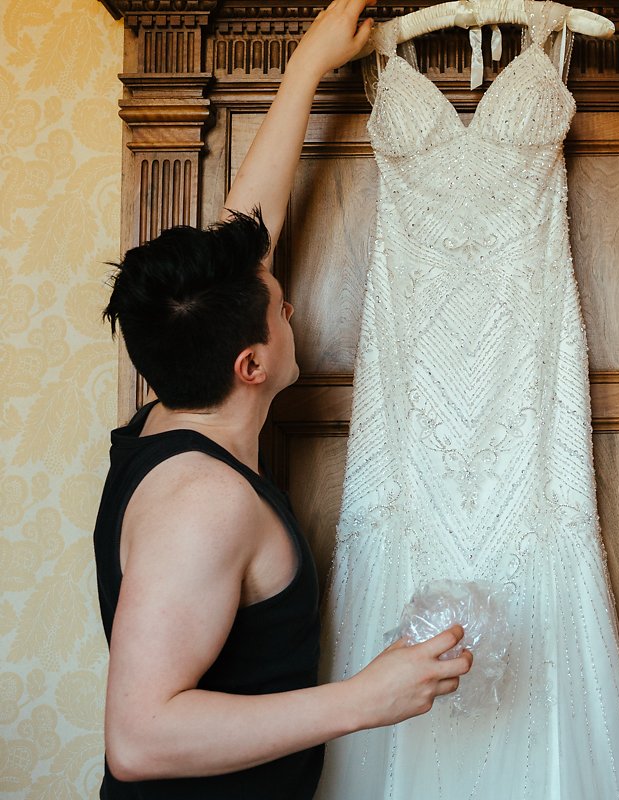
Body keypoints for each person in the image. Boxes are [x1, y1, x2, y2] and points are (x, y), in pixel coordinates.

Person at [93, 1, 471, 797]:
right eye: (278, 303)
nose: (291, 305)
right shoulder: (203, 502)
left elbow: (245, 231)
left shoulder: (174, 411)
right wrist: (363, 700)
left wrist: (307, 65)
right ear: (252, 363)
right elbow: (138, 737)